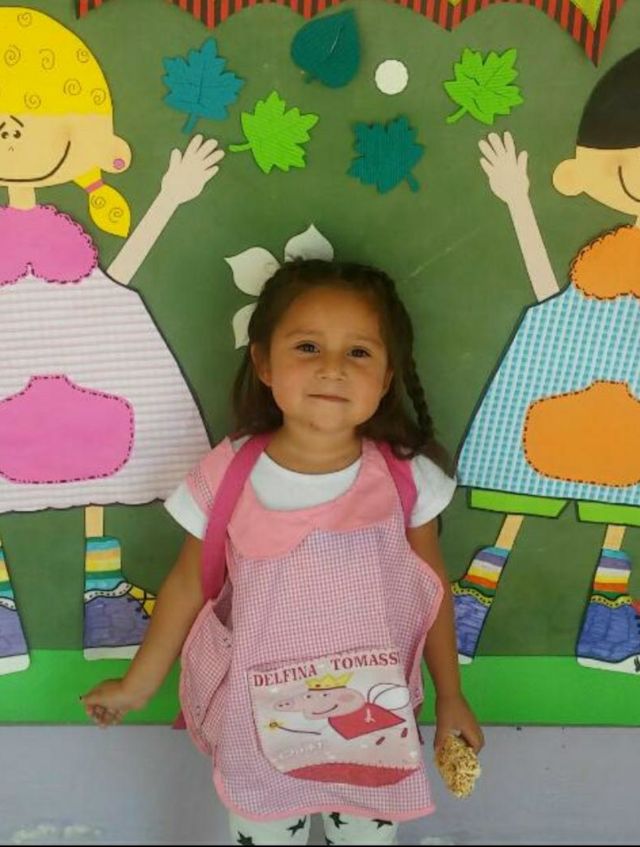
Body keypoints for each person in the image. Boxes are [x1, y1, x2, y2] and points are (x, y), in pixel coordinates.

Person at [83, 259, 484, 846]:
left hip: (374, 723)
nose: (332, 368)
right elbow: (187, 585)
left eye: (359, 352)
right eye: (307, 347)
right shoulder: (226, 474)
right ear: (264, 362)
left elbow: (432, 595)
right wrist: (138, 685)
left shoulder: (408, 479)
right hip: (258, 720)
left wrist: (451, 696)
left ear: (386, 376)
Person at [0, 6, 222, 673]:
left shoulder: (68, 238)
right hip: (33, 360)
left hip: (87, 355)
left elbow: (119, 273)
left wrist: (171, 197)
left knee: (102, 456)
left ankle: (105, 604)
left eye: (22, 124)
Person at [453, 49, 640, 673]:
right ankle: (464, 617)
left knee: (618, 512)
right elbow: (547, 294)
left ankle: (606, 636)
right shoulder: (596, 268)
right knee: (521, 505)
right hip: (556, 396)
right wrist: (516, 200)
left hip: (623, 418)